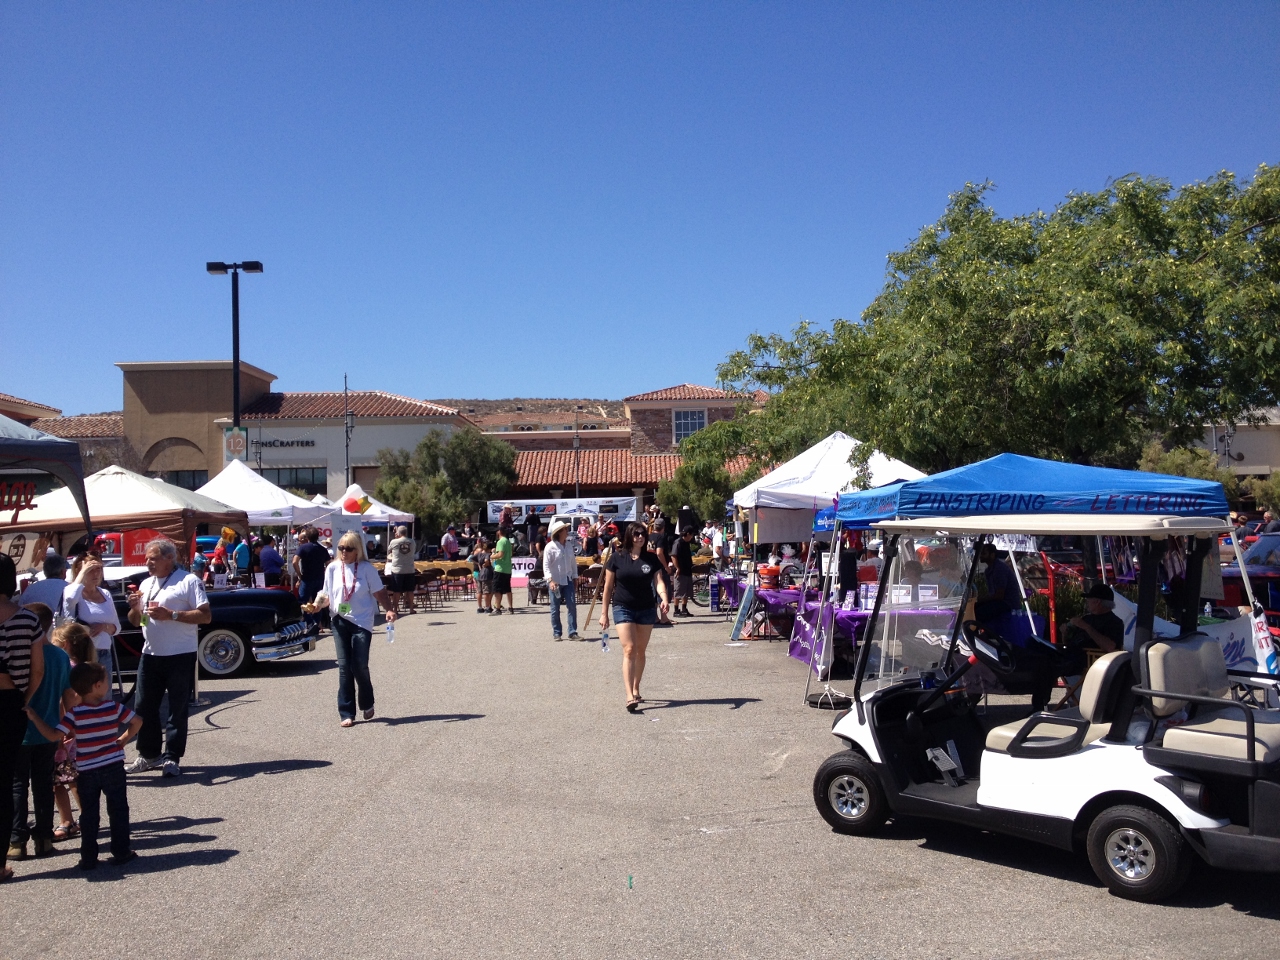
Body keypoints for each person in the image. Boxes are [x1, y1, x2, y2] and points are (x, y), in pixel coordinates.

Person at [27, 661, 142, 870]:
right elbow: (137, 722)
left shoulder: (74, 714)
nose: (108, 684)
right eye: (106, 681)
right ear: (97, 685)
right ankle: (121, 850)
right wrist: (123, 739)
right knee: (118, 809)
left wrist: (35, 718)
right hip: (113, 765)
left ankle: (88, 857)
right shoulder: (113, 707)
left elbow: (54, 735)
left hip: (87, 769)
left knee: (89, 814)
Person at [125, 538, 211, 778]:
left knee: (177, 708)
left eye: (152, 558)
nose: (147, 563)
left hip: (180, 654)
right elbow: (138, 621)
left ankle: (171, 757)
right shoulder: (146, 583)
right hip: (150, 654)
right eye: (147, 559)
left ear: (169, 558)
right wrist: (134, 608)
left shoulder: (188, 581)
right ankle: (148, 754)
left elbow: (205, 616)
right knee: (144, 707)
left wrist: (171, 614)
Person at [311, 533, 398, 727]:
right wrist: (318, 605)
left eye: (348, 549)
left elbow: (379, 592)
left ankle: (367, 702)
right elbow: (326, 594)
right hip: (339, 620)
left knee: (359, 665)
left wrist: (389, 609)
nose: (343, 552)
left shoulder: (367, 569)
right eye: (341, 548)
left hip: (362, 623)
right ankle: (346, 712)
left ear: (357, 551)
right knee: (344, 667)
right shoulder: (332, 568)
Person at [9, 613, 72, 862]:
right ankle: (44, 839)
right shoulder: (60, 656)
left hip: (19, 730)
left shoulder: (20, 655)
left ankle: (16, 841)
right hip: (49, 729)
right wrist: (69, 728)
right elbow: (67, 696)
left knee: (17, 785)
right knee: (44, 784)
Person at [1, 553, 46, 882]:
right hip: (9, 704)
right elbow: (38, 670)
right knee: (5, 783)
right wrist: (25, 698)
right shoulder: (27, 620)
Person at [600, 522, 670, 713]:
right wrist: (604, 613)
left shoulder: (651, 559)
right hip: (623, 607)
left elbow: (659, 581)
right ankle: (629, 694)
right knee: (629, 649)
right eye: (636, 534)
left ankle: (636, 686)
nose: (640, 537)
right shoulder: (617, 558)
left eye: (642, 534)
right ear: (630, 536)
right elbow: (607, 588)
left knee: (640, 650)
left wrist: (663, 598)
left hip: (646, 608)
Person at [61, 558, 121, 692]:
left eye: (98, 569)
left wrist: (103, 627)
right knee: (81, 696)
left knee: (104, 697)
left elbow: (117, 628)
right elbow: (70, 599)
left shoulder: (105, 593)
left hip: (104, 653)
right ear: (80, 571)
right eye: (90, 570)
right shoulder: (72, 591)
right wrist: (82, 573)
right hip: (82, 653)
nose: (96, 574)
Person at [544, 521, 580, 641]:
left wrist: (575, 576)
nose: (567, 531)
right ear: (559, 532)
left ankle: (572, 632)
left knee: (572, 606)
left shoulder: (569, 545)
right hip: (555, 581)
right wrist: (550, 580)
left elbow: (573, 563)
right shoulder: (550, 547)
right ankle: (557, 632)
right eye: (565, 529)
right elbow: (546, 566)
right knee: (555, 608)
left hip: (568, 579)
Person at [974, 543, 1018, 622]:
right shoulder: (989, 570)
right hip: (999, 602)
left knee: (979, 612)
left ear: (992, 555)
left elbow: (999, 595)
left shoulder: (999, 569)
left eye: (984, 553)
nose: (980, 555)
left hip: (1008, 603)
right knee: (973, 608)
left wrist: (982, 600)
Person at [293, 527, 330, 613]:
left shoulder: (303, 548)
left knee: (303, 602)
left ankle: (307, 621)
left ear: (307, 537)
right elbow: (329, 564)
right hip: (320, 579)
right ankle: (316, 622)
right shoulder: (323, 549)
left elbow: (295, 562)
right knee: (318, 603)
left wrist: (299, 575)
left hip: (307, 578)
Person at [384, 525, 418, 614]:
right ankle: (411, 608)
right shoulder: (412, 542)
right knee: (410, 590)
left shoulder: (394, 542)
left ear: (398, 533)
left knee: (397, 591)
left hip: (397, 569)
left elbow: (389, 551)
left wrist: (396, 537)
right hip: (409, 568)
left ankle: (395, 609)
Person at [648, 519, 676, 627]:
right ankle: (664, 617)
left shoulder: (649, 537)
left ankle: (655, 617)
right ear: (663, 527)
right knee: (663, 592)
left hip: (649, 567)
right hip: (659, 567)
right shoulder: (661, 537)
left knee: (653, 593)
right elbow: (659, 553)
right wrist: (666, 567)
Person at [671, 526, 696, 618]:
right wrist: (677, 568)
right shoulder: (678, 542)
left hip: (687, 570)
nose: (692, 537)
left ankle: (684, 609)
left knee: (686, 591)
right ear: (688, 534)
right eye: (692, 534)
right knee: (678, 590)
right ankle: (676, 610)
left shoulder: (687, 543)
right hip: (680, 571)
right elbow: (673, 556)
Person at [490, 529, 514, 615]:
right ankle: (510, 608)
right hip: (507, 568)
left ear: (499, 532)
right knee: (508, 589)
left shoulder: (500, 541)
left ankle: (497, 609)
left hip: (500, 568)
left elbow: (500, 554)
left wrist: (492, 556)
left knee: (497, 589)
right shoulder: (507, 541)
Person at [471, 538, 493, 614]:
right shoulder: (487, 554)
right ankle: (487, 607)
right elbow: (487, 560)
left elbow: (471, 558)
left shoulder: (478, 552)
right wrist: (485, 564)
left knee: (479, 590)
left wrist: (478, 563)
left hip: (478, 573)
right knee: (487, 591)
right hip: (485, 573)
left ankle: (480, 607)